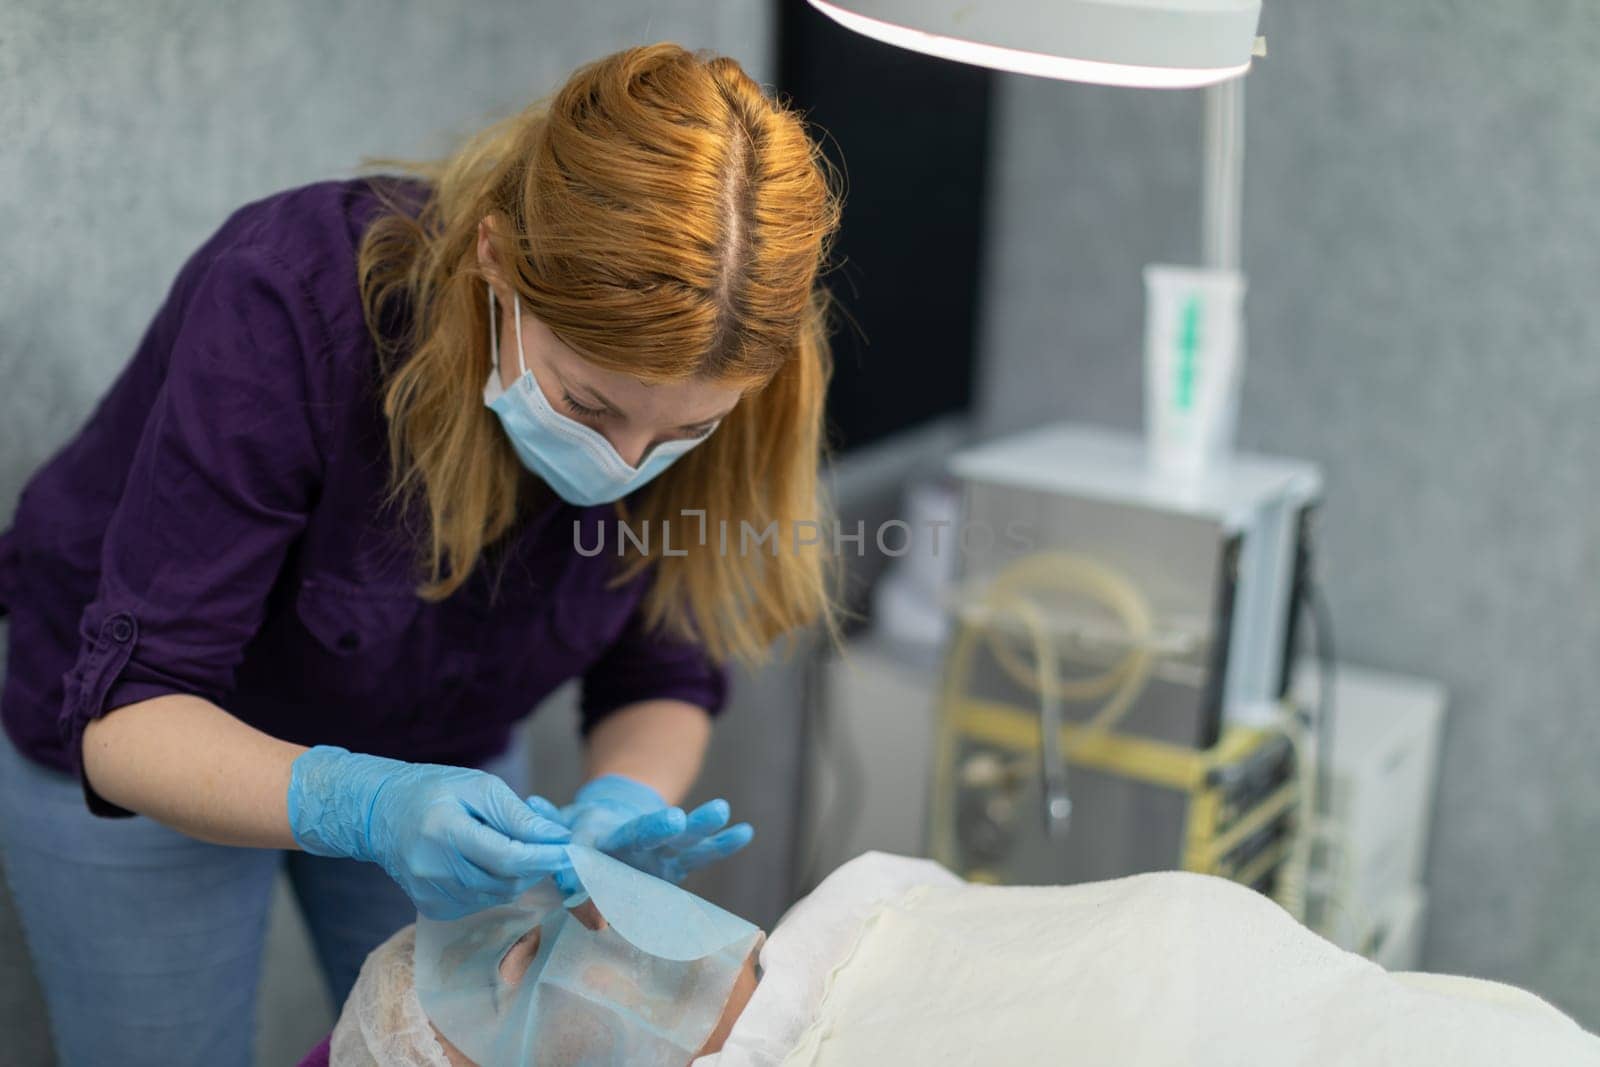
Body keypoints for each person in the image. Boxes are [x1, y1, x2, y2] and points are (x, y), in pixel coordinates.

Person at [0, 42, 842, 1066]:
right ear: (495, 257)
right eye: (589, 404)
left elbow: (660, 661)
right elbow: (131, 718)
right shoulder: (291, 300)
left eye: (682, 432)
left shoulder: (736, 376)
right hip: (163, 745)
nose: (628, 465)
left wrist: (621, 800)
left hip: (443, 752)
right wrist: (365, 803)